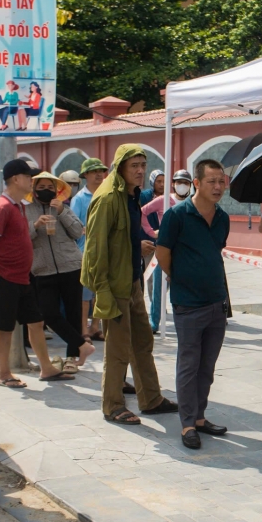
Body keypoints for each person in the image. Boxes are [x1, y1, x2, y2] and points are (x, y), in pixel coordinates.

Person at [83, 144, 180, 424]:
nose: (140, 171)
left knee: (142, 341)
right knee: (117, 348)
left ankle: (150, 399)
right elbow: (95, 250)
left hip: (133, 279)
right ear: (120, 167)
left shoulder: (131, 195)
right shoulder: (107, 198)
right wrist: (102, 292)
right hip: (113, 285)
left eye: (142, 165)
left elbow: (122, 237)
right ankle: (112, 405)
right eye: (134, 165)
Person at [155, 160, 231, 448]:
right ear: (196, 183)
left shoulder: (222, 217)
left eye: (221, 181)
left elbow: (216, 250)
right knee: (189, 365)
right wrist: (181, 277)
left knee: (207, 366)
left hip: (216, 301)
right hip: (188, 304)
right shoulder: (177, 215)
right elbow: (163, 253)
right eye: (211, 181)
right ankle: (187, 424)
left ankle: (200, 416)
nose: (217, 187)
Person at [0, 158, 71, 388]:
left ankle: (46, 368)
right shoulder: (2, 207)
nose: (32, 181)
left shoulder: (18, 205)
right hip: (5, 277)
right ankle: (4, 373)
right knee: (5, 327)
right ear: (15, 179)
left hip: (22, 277)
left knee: (36, 322)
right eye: (29, 177)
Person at [24, 171, 94, 374]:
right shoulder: (26, 210)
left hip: (70, 266)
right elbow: (22, 237)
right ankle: (82, 345)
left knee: (73, 313)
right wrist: (35, 225)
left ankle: (72, 358)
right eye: (41, 187)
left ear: (56, 190)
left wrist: (62, 211)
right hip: (42, 269)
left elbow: (77, 232)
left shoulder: (65, 207)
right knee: (49, 314)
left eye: (50, 188)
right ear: (34, 189)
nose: (46, 191)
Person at [142, 169, 193, 332]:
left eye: (185, 183)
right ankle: (154, 322)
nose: (182, 186)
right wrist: (152, 232)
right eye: (179, 182)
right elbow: (142, 212)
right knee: (158, 287)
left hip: (184, 252)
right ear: (173, 184)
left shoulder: (193, 202)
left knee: (183, 287)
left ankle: (186, 321)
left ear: (191, 185)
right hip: (163, 249)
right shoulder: (164, 200)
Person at [72, 158, 109, 341]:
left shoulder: (106, 195)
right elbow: (73, 226)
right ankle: (83, 329)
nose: (98, 175)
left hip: (105, 250)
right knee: (85, 296)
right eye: (94, 172)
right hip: (84, 251)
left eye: (101, 171)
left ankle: (96, 327)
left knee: (101, 292)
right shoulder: (79, 199)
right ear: (85, 175)